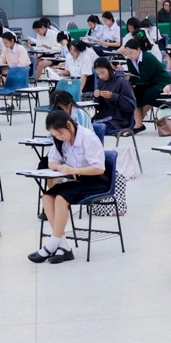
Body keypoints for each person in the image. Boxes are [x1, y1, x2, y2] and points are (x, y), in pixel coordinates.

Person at [31, 108, 109, 262]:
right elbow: (51, 162)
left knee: (61, 198)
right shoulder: (60, 141)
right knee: (47, 197)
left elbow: (99, 168)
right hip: (76, 180)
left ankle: (52, 244)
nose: (60, 138)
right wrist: (61, 167)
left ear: (69, 125)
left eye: (61, 133)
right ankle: (64, 246)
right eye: (55, 135)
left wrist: (75, 170)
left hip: (95, 179)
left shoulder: (88, 137)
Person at [87, 57, 137, 132]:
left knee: (98, 129)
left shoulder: (121, 81)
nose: (101, 76)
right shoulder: (101, 82)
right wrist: (97, 97)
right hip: (105, 116)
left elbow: (131, 106)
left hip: (120, 119)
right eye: (98, 74)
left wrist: (113, 96)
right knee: (87, 126)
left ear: (109, 68)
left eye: (103, 73)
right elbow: (100, 108)